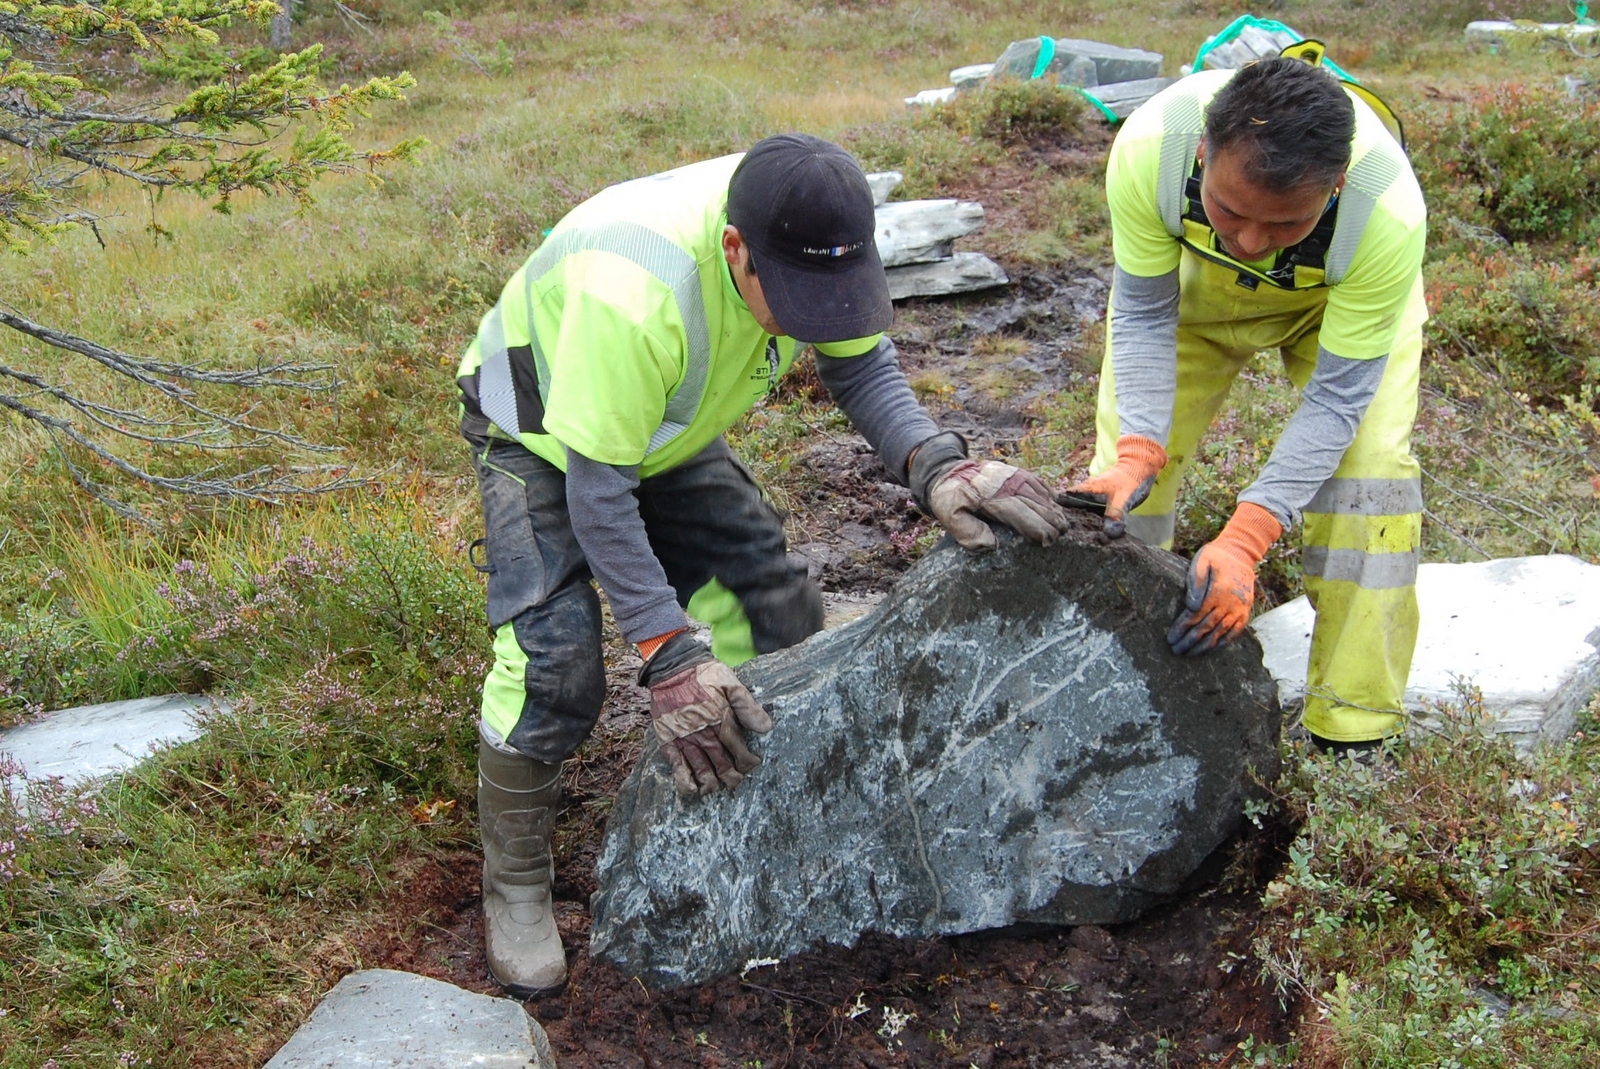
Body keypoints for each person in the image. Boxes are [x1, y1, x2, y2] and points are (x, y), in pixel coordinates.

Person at [454, 133, 1072, 997]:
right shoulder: (632, 292)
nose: (813, 319)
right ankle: (513, 888)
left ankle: (744, 812)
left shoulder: (812, 212)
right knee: (554, 662)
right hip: (543, 436)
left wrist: (936, 462)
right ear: (735, 250)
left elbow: (861, 367)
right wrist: (668, 652)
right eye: (793, 300)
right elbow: (598, 495)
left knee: (770, 610)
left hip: (662, 427)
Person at [1065, 56, 1426, 757]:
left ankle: (1353, 732)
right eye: (1229, 211)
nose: (1253, 241)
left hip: (1332, 314)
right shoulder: (1151, 147)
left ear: (1337, 185)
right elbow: (1141, 316)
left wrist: (1246, 538)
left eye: (1285, 222)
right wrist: (1139, 449)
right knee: (1124, 492)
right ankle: (1112, 687)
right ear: (1204, 153)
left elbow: (1339, 397)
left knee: (1372, 482)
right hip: (1192, 304)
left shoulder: (1386, 212)